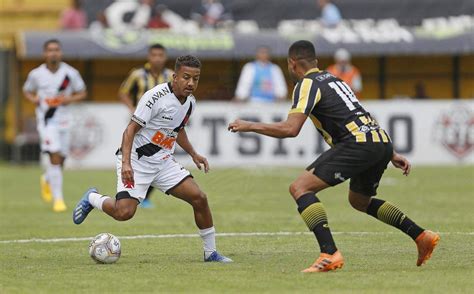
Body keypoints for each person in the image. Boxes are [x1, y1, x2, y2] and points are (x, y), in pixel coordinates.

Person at [228, 40, 439, 272]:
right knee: (359, 201)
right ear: (315, 62)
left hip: (356, 144)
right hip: (379, 140)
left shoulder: (306, 84)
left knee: (300, 188)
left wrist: (250, 125)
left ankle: (329, 253)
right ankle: (420, 236)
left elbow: (291, 129)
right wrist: (390, 152)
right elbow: (358, 113)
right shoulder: (336, 80)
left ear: (292, 63)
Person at [73, 55, 232, 263]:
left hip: (163, 163)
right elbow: (130, 130)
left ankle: (210, 253)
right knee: (124, 213)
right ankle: (92, 198)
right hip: (136, 161)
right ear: (175, 77)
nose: (191, 83)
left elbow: (177, 130)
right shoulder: (154, 97)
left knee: (199, 198)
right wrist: (127, 163)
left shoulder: (190, 103)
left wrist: (193, 154)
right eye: (186, 77)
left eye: (196, 78)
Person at [23, 39, 87, 212]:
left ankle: (47, 178)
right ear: (45, 53)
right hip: (47, 120)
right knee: (55, 156)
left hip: (65, 120)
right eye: (50, 50)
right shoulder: (36, 74)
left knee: (62, 159)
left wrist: (69, 99)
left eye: (56, 50)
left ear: (61, 53)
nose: (53, 53)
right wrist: (34, 98)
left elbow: (82, 92)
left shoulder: (70, 73)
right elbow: (27, 90)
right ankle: (58, 200)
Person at [118, 43, 174, 208]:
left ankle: (145, 197)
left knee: (158, 157)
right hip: (140, 123)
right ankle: (132, 193)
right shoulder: (137, 74)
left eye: (160, 55)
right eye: (154, 55)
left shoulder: (172, 75)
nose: (157, 58)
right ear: (149, 57)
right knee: (137, 155)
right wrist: (133, 109)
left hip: (161, 125)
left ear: (165, 57)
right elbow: (123, 92)